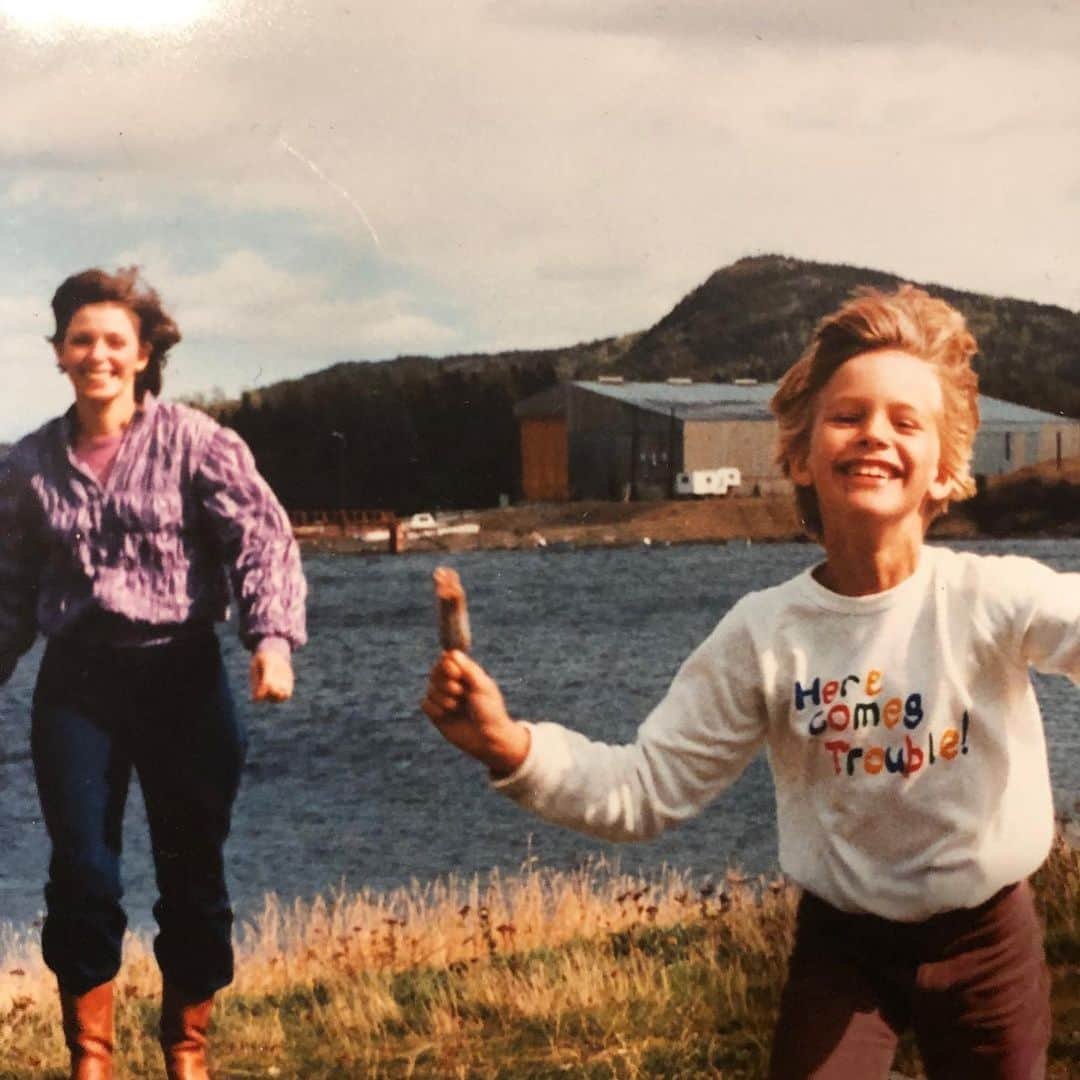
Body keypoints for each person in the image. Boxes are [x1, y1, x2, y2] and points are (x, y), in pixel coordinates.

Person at [422, 284, 1079, 1080]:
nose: (875, 435)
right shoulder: (765, 633)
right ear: (800, 454)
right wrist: (511, 747)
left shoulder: (990, 597)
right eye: (848, 416)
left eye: (906, 422)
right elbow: (645, 786)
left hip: (987, 939)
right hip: (844, 950)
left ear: (945, 469)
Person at [0, 267, 307, 1080]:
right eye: (80, 341)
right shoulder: (27, 465)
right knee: (84, 873)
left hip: (185, 682)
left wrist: (270, 640)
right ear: (60, 354)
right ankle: (91, 1060)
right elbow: (9, 587)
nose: (96, 355)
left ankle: (186, 1050)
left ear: (142, 356)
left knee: (193, 875)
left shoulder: (199, 443)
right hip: (79, 688)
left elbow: (262, 541)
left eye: (113, 341)